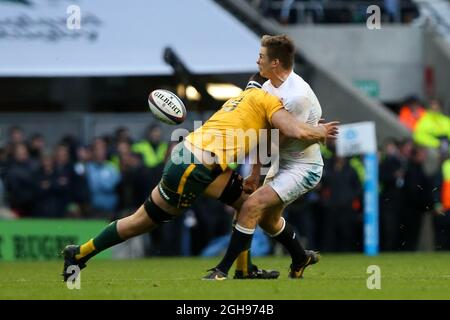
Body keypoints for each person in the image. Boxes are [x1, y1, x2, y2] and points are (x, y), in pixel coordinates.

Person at [61, 74, 338, 281]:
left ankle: (248, 268)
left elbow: (260, 143)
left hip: (191, 159)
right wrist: (319, 131)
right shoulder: (264, 101)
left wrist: (254, 176)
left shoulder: (240, 101)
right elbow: (288, 130)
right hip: (195, 168)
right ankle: (80, 253)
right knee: (142, 222)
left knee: (247, 203)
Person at [206, 34, 330, 280]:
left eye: (261, 57)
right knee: (267, 219)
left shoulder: (297, 96)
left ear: (275, 63)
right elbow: (266, 136)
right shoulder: (267, 87)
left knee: (251, 204)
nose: (256, 61)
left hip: (304, 166)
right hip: (279, 160)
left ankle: (222, 270)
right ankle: (300, 257)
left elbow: (277, 141)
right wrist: (254, 174)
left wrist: (254, 174)